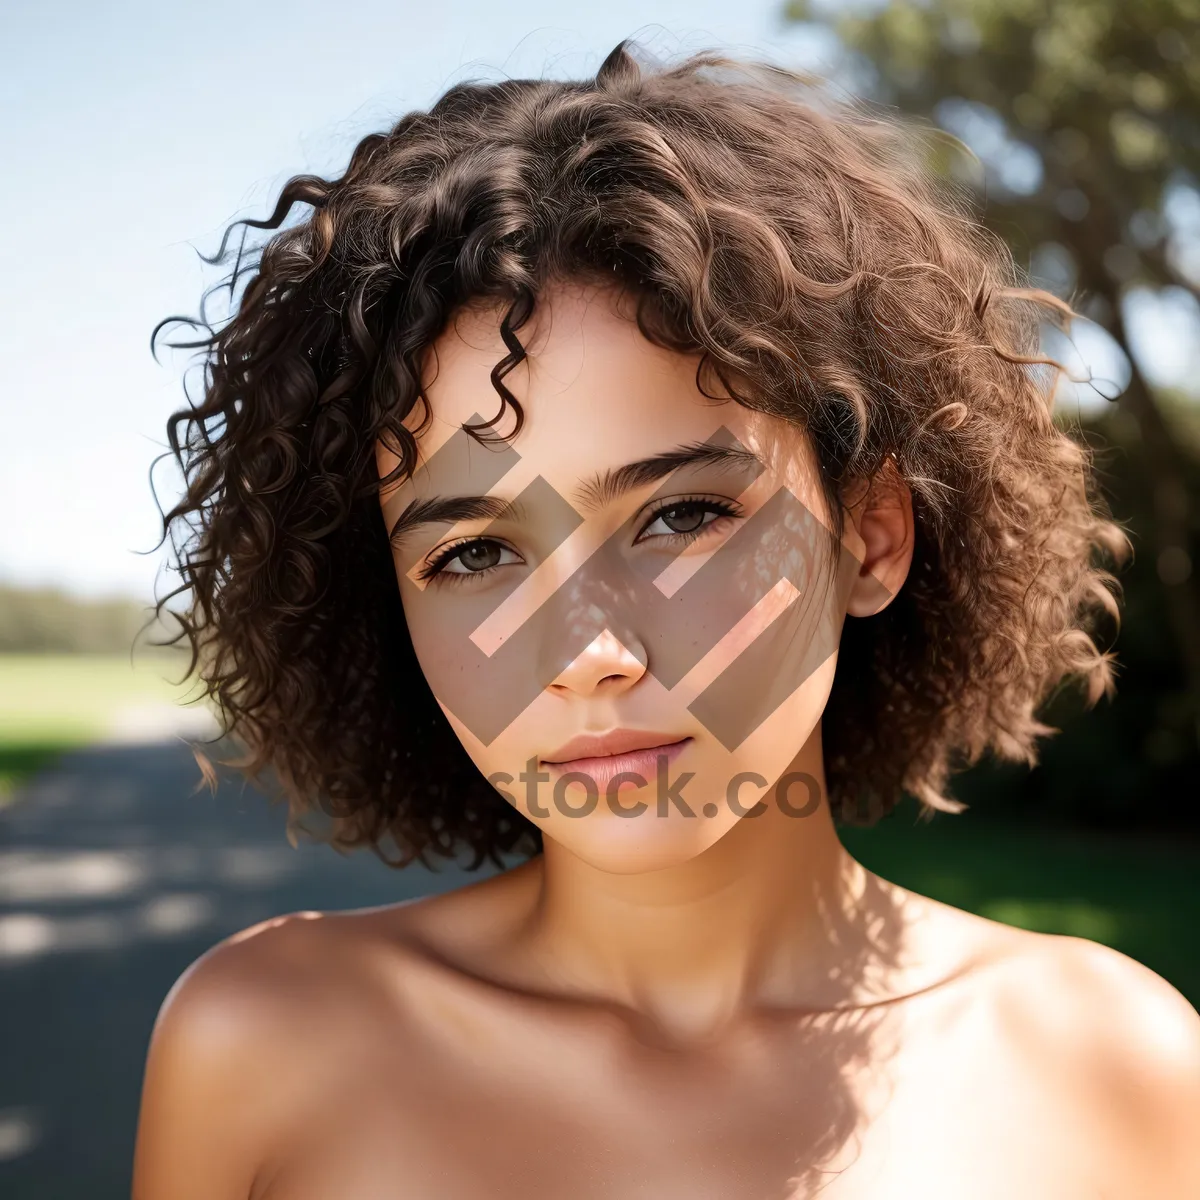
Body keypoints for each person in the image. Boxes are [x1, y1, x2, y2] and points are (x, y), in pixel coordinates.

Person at [132, 40, 1200, 1199]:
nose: (591, 653)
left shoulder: (1115, 1066)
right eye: (475, 551)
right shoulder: (260, 1046)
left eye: (682, 516)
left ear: (874, 533)